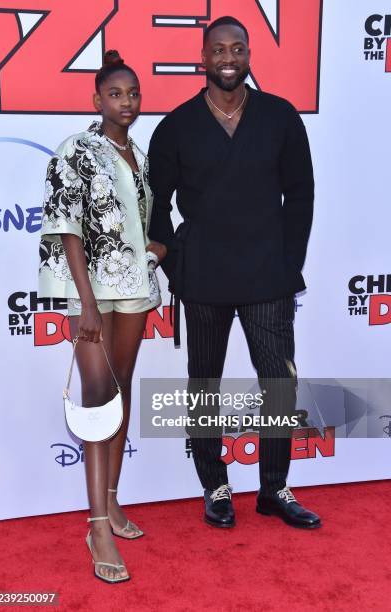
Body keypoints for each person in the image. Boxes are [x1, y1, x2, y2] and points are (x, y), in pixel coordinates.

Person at [148, 17, 321, 529]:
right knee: (204, 384)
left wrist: (290, 262)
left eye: (237, 48)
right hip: (202, 278)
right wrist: (179, 264)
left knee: (277, 384)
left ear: (249, 55)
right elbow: (155, 207)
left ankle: (274, 489)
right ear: (203, 58)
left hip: (269, 274)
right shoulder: (175, 126)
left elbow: (302, 195)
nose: (228, 57)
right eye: (218, 49)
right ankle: (215, 485)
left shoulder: (280, 116)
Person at [38, 50, 166, 583]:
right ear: (97, 100)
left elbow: (144, 226)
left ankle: (112, 501)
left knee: (122, 388)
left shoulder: (139, 154)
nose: (127, 101)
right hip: (91, 293)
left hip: (135, 290)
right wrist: (86, 302)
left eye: (133, 93)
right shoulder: (76, 149)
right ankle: (98, 527)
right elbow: (67, 226)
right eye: (116, 93)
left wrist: (155, 253)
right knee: (98, 401)